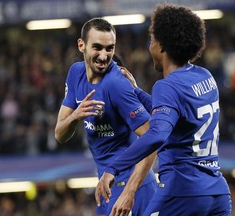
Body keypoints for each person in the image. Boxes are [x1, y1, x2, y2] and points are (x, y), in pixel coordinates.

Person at [95, 3, 232, 216]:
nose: (149, 47)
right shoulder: (205, 76)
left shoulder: (166, 86)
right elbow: (176, 113)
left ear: (161, 46)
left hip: (182, 190)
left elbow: (157, 134)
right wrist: (138, 92)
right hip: (217, 192)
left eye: (151, 40)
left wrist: (113, 168)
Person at [54, 18, 157, 216]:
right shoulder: (75, 73)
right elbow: (59, 134)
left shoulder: (116, 85)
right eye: (97, 47)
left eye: (109, 48)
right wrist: (75, 116)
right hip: (106, 184)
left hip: (131, 186)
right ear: (81, 45)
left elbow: (152, 137)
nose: (104, 56)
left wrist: (129, 192)